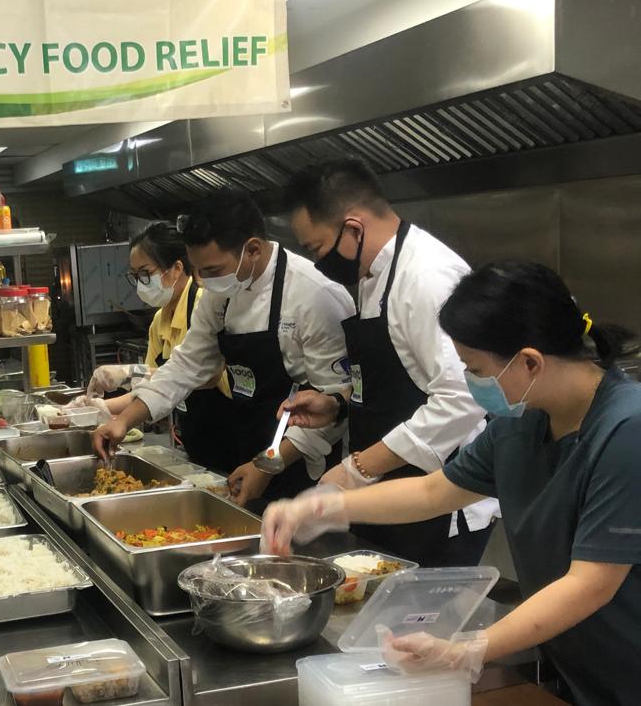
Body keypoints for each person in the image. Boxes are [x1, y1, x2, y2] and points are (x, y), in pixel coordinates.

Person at [262, 261, 640, 706]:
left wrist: (469, 650)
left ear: (530, 362)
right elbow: (434, 492)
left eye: (474, 368)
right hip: (580, 662)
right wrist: (322, 506)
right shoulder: (521, 423)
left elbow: (590, 583)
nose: (470, 381)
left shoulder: (626, 430)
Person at [277, 159, 497, 565]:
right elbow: (400, 375)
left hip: (438, 505)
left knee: (422, 625)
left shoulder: (427, 277)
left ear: (354, 228)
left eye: (316, 248)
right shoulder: (372, 271)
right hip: (390, 490)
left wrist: (358, 469)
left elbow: (462, 396)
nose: (318, 261)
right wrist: (338, 404)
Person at [92, 189, 354, 510]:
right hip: (248, 448)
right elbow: (186, 365)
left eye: (212, 270)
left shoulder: (315, 295)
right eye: (197, 269)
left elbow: (336, 404)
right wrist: (123, 420)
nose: (202, 280)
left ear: (253, 249)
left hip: (303, 464)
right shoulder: (223, 290)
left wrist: (268, 465)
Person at [86, 221, 233, 472]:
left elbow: (205, 374)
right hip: (197, 445)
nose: (141, 283)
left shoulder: (204, 304)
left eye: (145, 273)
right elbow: (154, 389)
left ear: (176, 268)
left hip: (231, 438)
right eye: (135, 277)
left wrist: (130, 372)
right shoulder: (160, 319)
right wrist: (100, 408)